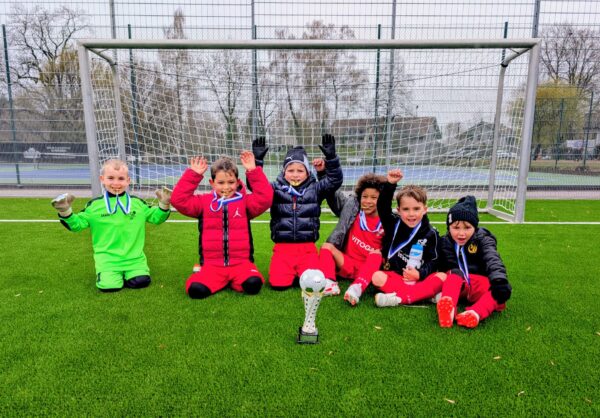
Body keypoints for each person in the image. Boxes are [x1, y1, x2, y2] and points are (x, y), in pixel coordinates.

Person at [51, 159, 171, 292]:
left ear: (128, 181)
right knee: (109, 287)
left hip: (135, 259)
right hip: (107, 261)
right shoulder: (94, 206)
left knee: (141, 281)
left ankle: (132, 272)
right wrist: (65, 211)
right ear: (102, 179)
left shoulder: (138, 204)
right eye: (111, 178)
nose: (116, 183)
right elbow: (77, 225)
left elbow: (156, 218)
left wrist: (164, 204)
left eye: (121, 178)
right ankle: (108, 274)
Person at [170, 151, 273, 299]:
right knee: (196, 290)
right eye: (221, 182)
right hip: (212, 267)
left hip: (242, 265)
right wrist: (194, 174)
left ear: (237, 182)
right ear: (212, 183)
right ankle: (217, 279)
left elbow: (266, 198)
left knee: (253, 284)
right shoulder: (203, 202)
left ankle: (238, 279)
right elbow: (178, 200)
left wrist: (253, 170)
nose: (226, 187)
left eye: (231, 182)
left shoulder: (244, 202)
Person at [253, 135, 343, 291]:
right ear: (284, 172)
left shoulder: (315, 188)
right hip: (282, 250)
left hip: (307, 250)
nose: (295, 174)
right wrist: (257, 162)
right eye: (291, 170)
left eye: (300, 170)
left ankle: (302, 271)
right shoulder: (275, 188)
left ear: (307, 172)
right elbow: (257, 187)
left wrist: (331, 158)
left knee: (313, 284)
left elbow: (334, 181)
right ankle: (288, 273)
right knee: (278, 284)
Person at [435, 196, 512, 328]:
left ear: (475, 227)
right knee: (453, 274)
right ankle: (449, 307)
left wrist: (499, 280)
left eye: (467, 227)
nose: (461, 233)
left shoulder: (483, 239)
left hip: (478, 285)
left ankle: (474, 313)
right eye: (456, 227)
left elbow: (492, 258)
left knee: (498, 292)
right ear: (448, 227)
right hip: (458, 286)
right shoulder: (444, 242)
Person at [371, 169, 443, 308]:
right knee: (377, 277)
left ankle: (398, 298)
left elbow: (434, 261)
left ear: (425, 209)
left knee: (442, 277)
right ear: (399, 210)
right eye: (406, 209)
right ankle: (421, 296)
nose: (411, 214)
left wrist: (419, 274)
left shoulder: (431, 233)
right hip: (396, 276)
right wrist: (390, 184)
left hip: (419, 278)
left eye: (416, 209)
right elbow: (382, 207)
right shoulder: (393, 224)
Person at [318, 173, 386, 305]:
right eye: (364, 197)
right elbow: (335, 197)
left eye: (374, 198)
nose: (368, 201)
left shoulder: (388, 221)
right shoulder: (353, 211)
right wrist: (322, 174)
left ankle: (357, 287)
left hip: (369, 269)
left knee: (377, 255)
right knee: (326, 247)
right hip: (347, 264)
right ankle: (330, 283)